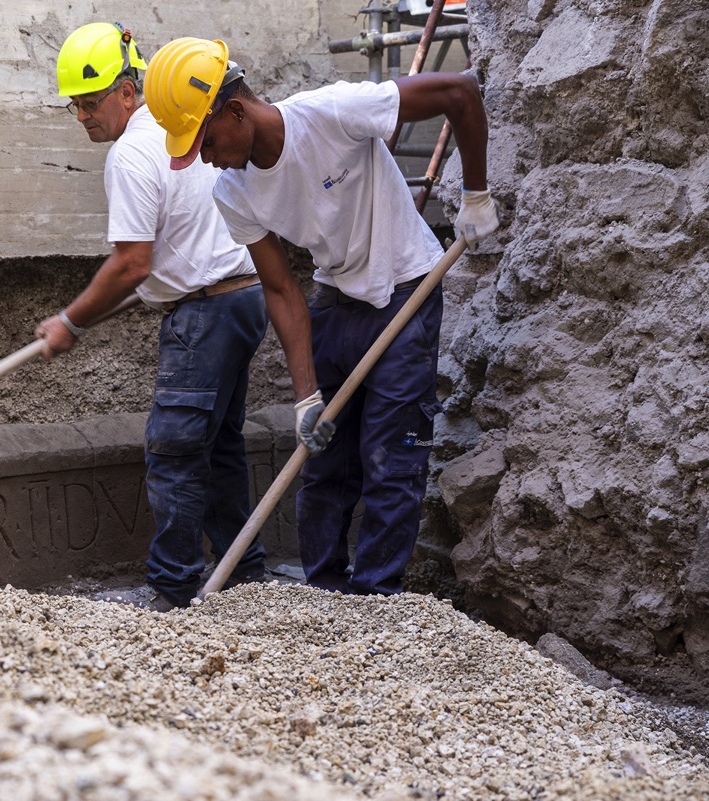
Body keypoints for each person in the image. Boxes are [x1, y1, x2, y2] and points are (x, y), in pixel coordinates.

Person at [143, 38, 501, 596]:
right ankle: (325, 596)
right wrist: (306, 395)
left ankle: (378, 600)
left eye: (205, 140)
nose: (204, 158)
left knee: (390, 459)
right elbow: (282, 289)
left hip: (406, 288)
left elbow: (460, 90)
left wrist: (476, 195)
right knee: (324, 460)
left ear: (234, 110)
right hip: (336, 300)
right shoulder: (233, 192)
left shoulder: (331, 113)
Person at [36, 23, 271, 611]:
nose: (84, 116)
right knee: (217, 448)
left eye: (91, 102)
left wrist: (70, 320)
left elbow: (131, 263)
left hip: (207, 310)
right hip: (242, 296)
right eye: (75, 106)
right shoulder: (177, 128)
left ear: (126, 90)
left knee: (174, 448)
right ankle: (246, 575)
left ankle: (170, 588)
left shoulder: (132, 154)